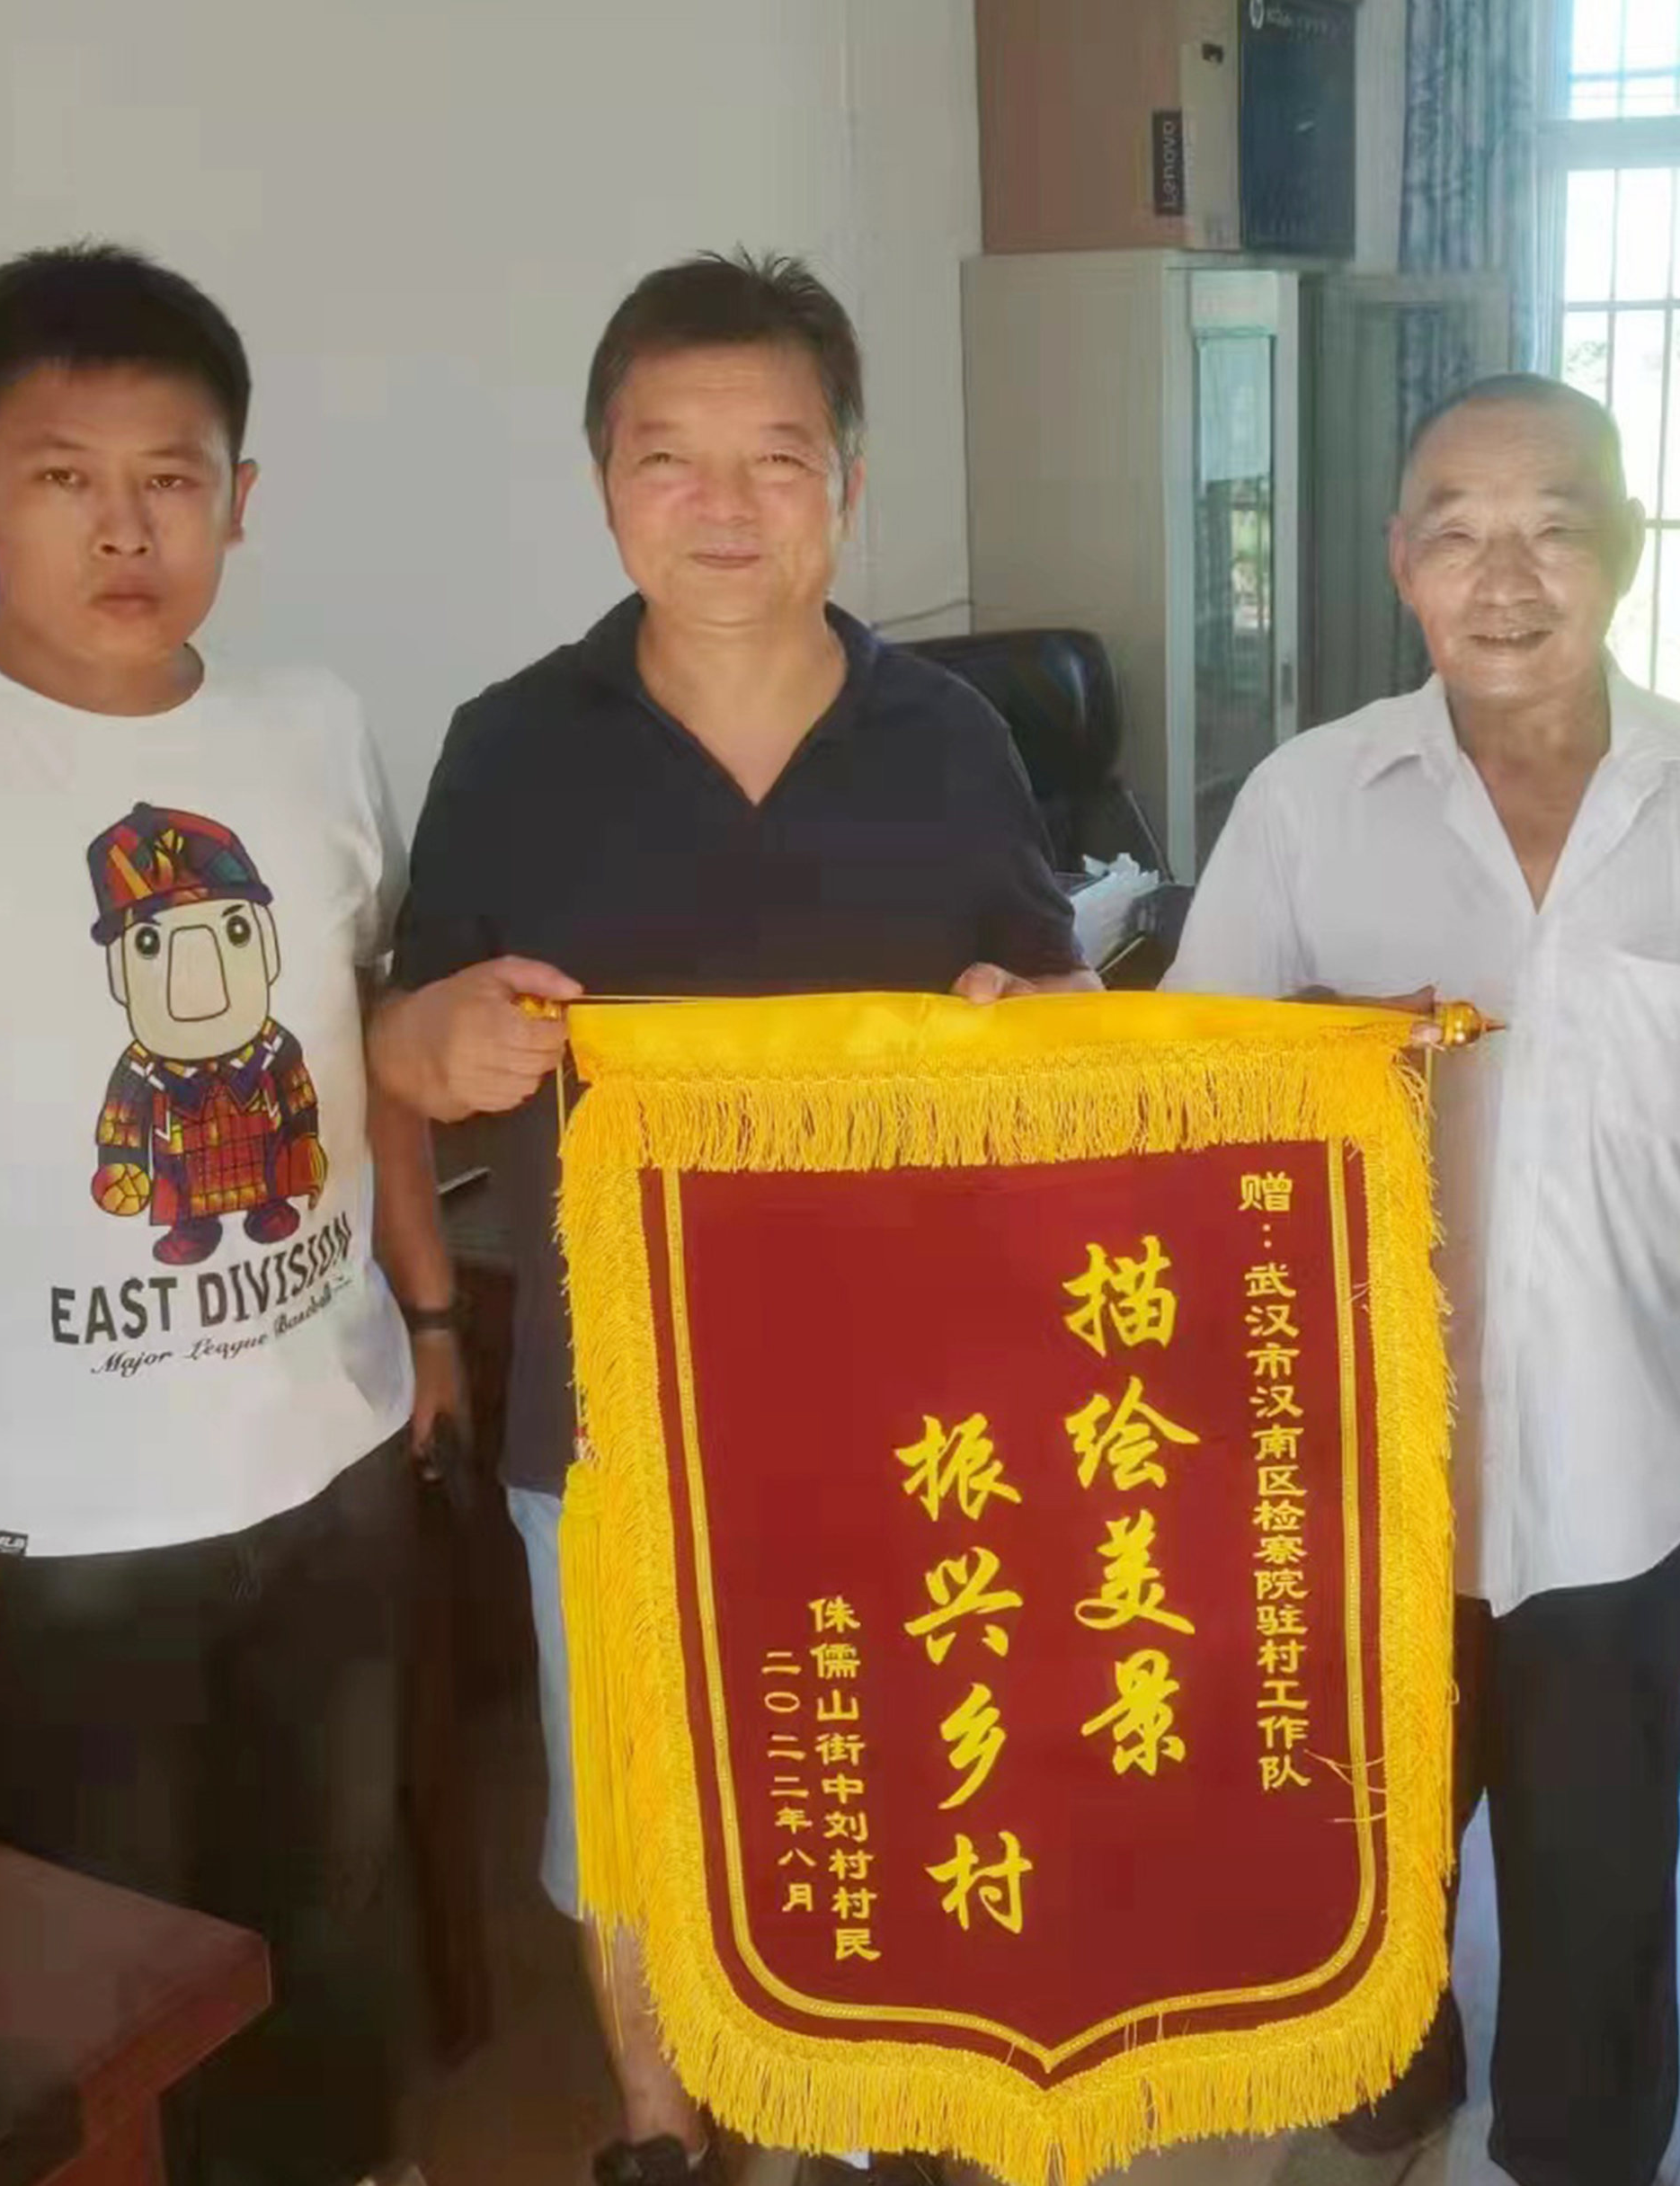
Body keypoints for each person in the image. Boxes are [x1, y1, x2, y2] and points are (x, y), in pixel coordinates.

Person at [0, 244, 456, 2186]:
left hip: (331, 1461)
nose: (125, 529)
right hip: (48, 1521)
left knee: (332, 1900)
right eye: (63, 478)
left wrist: (429, 1319)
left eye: (170, 478)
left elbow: (363, 1044)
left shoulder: (313, 727)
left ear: (239, 499)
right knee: (101, 1964)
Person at [371, 249, 1089, 2186]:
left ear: (846, 480)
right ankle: (659, 2128)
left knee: (906, 1749)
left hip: (920, 1395)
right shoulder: (511, 742)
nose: (722, 504)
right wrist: (438, 1038)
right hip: (617, 1398)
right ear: (605, 483)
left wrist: (1039, 1023)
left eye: (775, 456)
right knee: (634, 1794)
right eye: (666, 457)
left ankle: (900, 2097)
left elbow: (1055, 1000)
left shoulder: (951, 737)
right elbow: (404, 1044)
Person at [1165, 375, 1680, 2186]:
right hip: (1345, 1473)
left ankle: (1581, 2141)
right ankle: (1389, 2078)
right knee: (1362, 1836)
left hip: (1613, 1470)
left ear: (1624, 547)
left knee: (1600, 1860)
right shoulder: (1310, 802)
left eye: (1554, 528)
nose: (1505, 578)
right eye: (1458, 533)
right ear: (1400, 563)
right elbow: (1179, 1119)